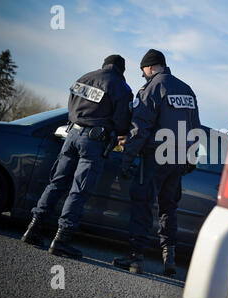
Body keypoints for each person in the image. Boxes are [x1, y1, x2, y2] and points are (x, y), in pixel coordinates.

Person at [21, 55, 133, 258]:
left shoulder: (85, 77)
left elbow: (71, 105)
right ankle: (61, 240)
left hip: (71, 134)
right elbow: (122, 121)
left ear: (104, 64)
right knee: (79, 190)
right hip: (93, 141)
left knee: (57, 183)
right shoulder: (120, 87)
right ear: (121, 70)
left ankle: (32, 229)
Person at [113, 49, 201, 276]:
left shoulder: (152, 87)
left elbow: (139, 128)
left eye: (143, 71)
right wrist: (191, 158)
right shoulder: (187, 90)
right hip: (178, 159)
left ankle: (135, 258)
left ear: (150, 67)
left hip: (155, 157)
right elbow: (196, 128)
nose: (143, 75)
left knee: (143, 203)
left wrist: (127, 158)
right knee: (168, 208)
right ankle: (168, 259)